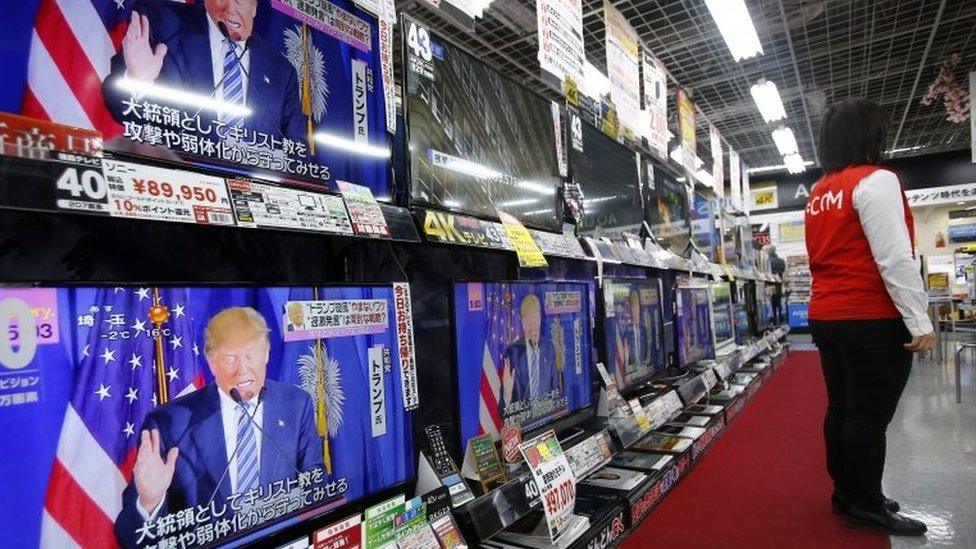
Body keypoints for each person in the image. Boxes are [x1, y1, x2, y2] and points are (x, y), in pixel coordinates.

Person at [805, 98, 934, 536]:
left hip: (828, 315)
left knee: (842, 409)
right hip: (870, 315)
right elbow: (896, 258)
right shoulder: (877, 181)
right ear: (869, 135)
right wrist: (919, 320)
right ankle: (864, 504)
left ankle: (848, 493)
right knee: (867, 417)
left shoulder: (820, 191)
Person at [115, 307, 323, 547]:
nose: (242, 369)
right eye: (230, 358)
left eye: (251, 354)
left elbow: (315, 485)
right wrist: (149, 503)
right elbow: (128, 537)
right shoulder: (169, 423)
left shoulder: (296, 405)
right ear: (211, 363)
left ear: (266, 353)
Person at [104, 0, 307, 145]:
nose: (230, 8)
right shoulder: (161, 21)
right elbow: (119, 108)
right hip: (177, 186)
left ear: (254, 8)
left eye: (240, 0)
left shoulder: (280, 69)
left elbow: (297, 148)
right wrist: (136, 83)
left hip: (253, 196)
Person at [500, 294, 560, 414]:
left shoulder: (549, 349)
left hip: (547, 420)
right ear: (522, 322)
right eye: (528, 319)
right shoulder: (513, 352)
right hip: (523, 424)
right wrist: (506, 395)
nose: (532, 325)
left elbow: (556, 391)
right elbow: (502, 411)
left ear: (540, 320)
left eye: (535, 318)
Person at [768, 246, 786, 324]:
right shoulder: (781, 261)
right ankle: (781, 318)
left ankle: (774, 319)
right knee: (778, 302)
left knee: (772, 303)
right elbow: (783, 270)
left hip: (770, 284)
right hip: (779, 284)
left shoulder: (768, 261)